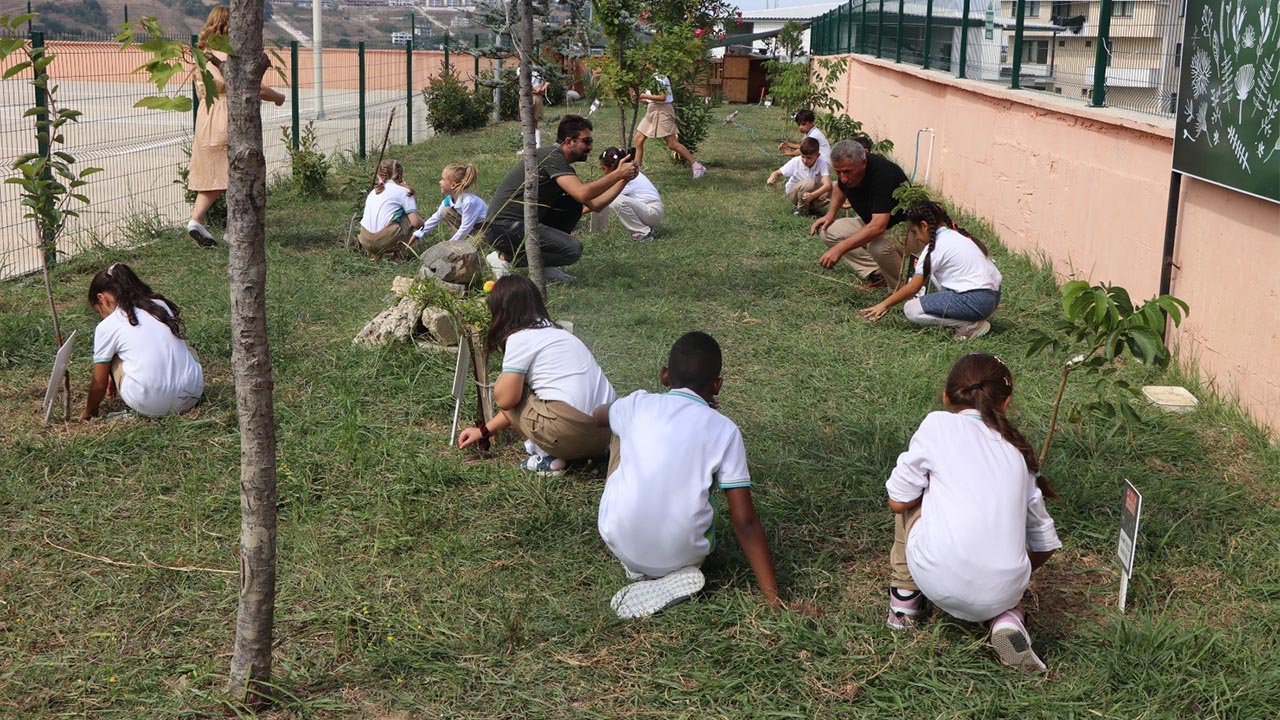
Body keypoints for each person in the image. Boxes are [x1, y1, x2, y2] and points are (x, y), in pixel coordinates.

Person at [593, 332, 807, 619]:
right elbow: (744, 522)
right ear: (717, 385)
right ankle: (671, 568)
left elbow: (598, 415)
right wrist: (774, 600)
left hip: (619, 538)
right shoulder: (724, 429)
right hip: (685, 554)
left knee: (620, 429)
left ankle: (638, 568)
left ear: (664, 375)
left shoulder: (636, 404)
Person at [885, 353, 1061, 672]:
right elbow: (1045, 544)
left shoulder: (937, 425)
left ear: (945, 395)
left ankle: (904, 603)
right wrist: (1012, 576)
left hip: (934, 575)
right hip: (1004, 590)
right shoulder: (1018, 454)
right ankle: (1007, 617)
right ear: (1006, 403)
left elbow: (897, 502)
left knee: (915, 493)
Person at [457, 275, 615, 474]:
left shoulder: (520, 338)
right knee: (519, 387)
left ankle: (548, 458)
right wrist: (484, 431)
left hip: (570, 435)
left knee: (508, 387)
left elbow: (507, 401)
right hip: (606, 433)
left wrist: (499, 384)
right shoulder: (560, 333)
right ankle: (592, 453)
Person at [485, 115, 638, 284]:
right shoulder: (552, 157)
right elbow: (583, 193)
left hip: (515, 226)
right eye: (586, 141)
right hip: (503, 228)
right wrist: (618, 173)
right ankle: (503, 258)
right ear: (569, 141)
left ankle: (544, 268)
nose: (591, 147)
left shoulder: (561, 165)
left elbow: (595, 204)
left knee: (571, 205)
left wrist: (624, 180)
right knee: (572, 250)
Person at [186, 6, 286, 248]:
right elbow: (254, 87)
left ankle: (196, 220)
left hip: (205, 119)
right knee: (237, 176)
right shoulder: (227, 55)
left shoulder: (201, 56)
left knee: (214, 175)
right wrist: (277, 97)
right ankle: (233, 231)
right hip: (227, 118)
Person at [859, 201, 1002, 340]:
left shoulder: (933, 249)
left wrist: (883, 304)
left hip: (975, 300)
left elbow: (913, 288)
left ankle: (971, 325)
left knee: (911, 309)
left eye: (914, 232)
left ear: (924, 226)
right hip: (993, 298)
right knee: (933, 273)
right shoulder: (958, 236)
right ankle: (967, 317)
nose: (915, 237)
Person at [82, 263, 204, 419]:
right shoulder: (160, 306)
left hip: (149, 404)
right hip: (192, 394)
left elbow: (99, 382)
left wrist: (88, 412)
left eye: (99, 310)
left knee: (109, 355)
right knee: (184, 344)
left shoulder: (108, 325)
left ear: (102, 298)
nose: (102, 315)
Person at [810, 140, 918, 289]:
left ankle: (901, 291)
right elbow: (840, 189)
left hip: (908, 229)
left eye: (847, 171)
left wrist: (839, 249)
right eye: (838, 172)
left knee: (878, 246)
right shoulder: (847, 174)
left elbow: (878, 227)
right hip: (875, 222)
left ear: (864, 161)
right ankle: (877, 273)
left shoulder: (885, 174)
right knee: (828, 231)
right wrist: (830, 215)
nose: (843, 178)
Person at [632, 72, 707, 179]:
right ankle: (637, 172)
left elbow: (662, 97)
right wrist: (640, 99)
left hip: (663, 111)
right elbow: (651, 100)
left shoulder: (661, 78)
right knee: (638, 140)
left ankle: (697, 166)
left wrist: (643, 95)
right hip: (652, 110)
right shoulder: (652, 77)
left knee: (672, 144)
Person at [358, 159, 424, 259]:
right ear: (399, 175)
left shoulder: (373, 192)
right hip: (384, 242)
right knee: (408, 217)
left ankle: (373, 255)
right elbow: (416, 223)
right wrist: (427, 224)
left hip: (365, 240)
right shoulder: (404, 191)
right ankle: (400, 254)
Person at [413, 163, 489, 245]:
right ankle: (462, 241)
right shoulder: (448, 200)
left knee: (471, 246)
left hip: (483, 229)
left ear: (453, 185)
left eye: (442, 179)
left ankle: (472, 242)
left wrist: (449, 244)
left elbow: (465, 228)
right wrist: (418, 233)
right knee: (446, 211)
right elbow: (436, 217)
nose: (439, 182)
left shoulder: (468, 202)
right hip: (470, 228)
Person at [599, 146, 664, 240]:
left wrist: (581, 212)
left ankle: (644, 233)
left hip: (652, 211)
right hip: (649, 210)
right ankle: (645, 229)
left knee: (614, 199)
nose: (603, 172)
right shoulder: (627, 173)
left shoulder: (625, 177)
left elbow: (603, 198)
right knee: (610, 198)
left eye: (603, 168)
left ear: (612, 167)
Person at [766, 137, 831, 216]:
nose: (805, 160)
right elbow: (777, 172)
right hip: (795, 193)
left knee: (834, 186)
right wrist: (772, 178)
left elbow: (827, 185)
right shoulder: (796, 161)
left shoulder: (822, 163)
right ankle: (801, 210)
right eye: (803, 156)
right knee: (809, 184)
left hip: (810, 194)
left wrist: (813, 195)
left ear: (817, 155)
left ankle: (812, 208)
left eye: (809, 158)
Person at [530, 67, 549, 149]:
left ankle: (537, 145)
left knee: (535, 120)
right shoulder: (521, 68)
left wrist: (542, 88)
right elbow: (522, 82)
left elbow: (548, 80)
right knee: (526, 121)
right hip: (527, 95)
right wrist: (533, 89)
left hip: (537, 96)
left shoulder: (540, 68)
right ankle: (527, 146)